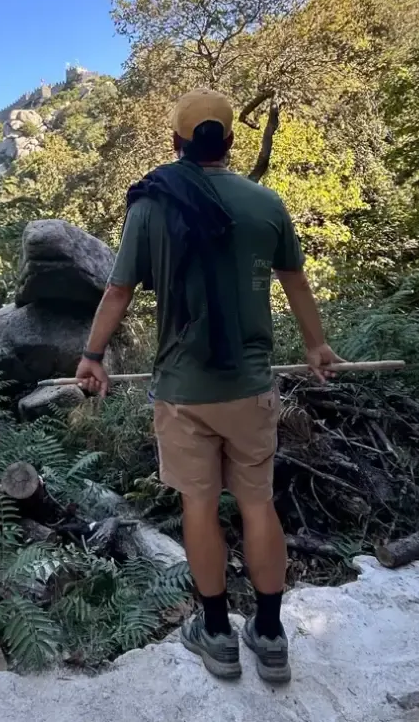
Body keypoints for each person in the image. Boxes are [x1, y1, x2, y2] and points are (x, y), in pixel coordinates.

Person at [73, 88, 340, 683]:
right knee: (257, 502)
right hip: (250, 387)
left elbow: (118, 291)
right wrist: (316, 346)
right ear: (231, 142)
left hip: (183, 391)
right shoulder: (266, 202)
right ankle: (269, 635)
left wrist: (92, 355)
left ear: (177, 143)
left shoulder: (152, 205)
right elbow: (295, 282)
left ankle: (216, 631)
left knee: (199, 503)